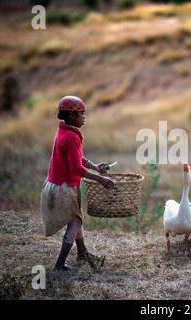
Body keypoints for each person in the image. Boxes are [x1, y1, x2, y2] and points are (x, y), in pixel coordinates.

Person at [40, 96, 115, 271]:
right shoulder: (72, 137)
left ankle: (82, 253)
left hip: (57, 185)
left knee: (75, 219)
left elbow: (76, 159)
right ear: (73, 115)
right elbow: (76, 168)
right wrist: (100, 179)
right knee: (75, 222)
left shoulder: (64, 132)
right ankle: (60, 264)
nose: (84, 116)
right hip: (64, 188)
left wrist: (95, 167)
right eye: (82, 113)